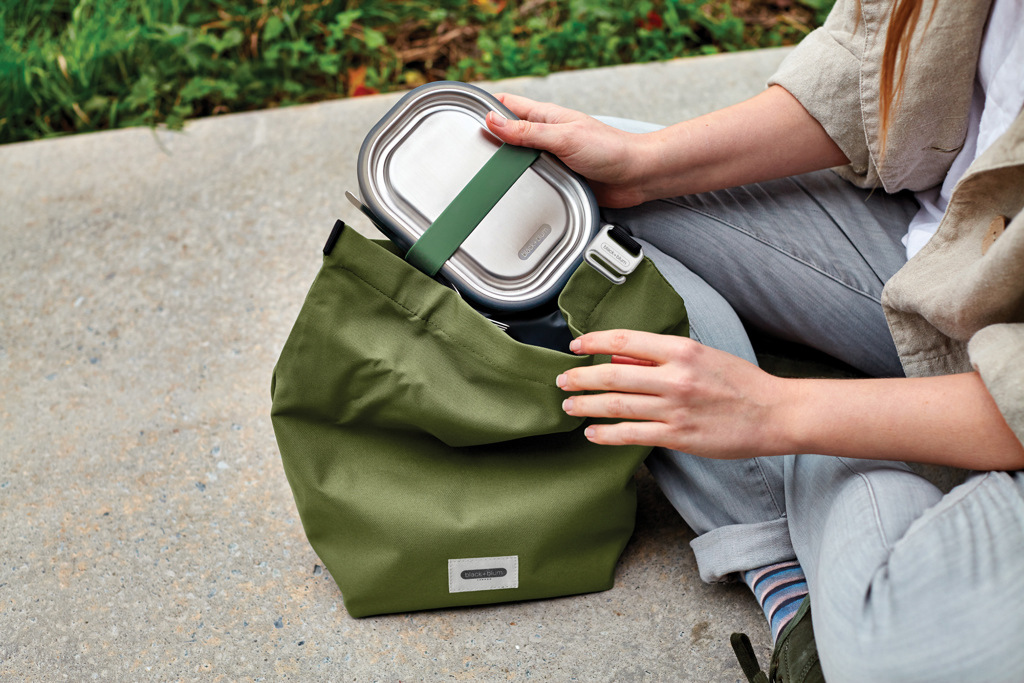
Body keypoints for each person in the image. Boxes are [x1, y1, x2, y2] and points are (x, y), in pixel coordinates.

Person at [483, 0, 1024, 681]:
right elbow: (868, 64)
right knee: (511, 172)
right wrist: (644, 164)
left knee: (900, 656)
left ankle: (806, 538)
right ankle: (826, 470)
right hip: (937, 256)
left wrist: (774, 411)